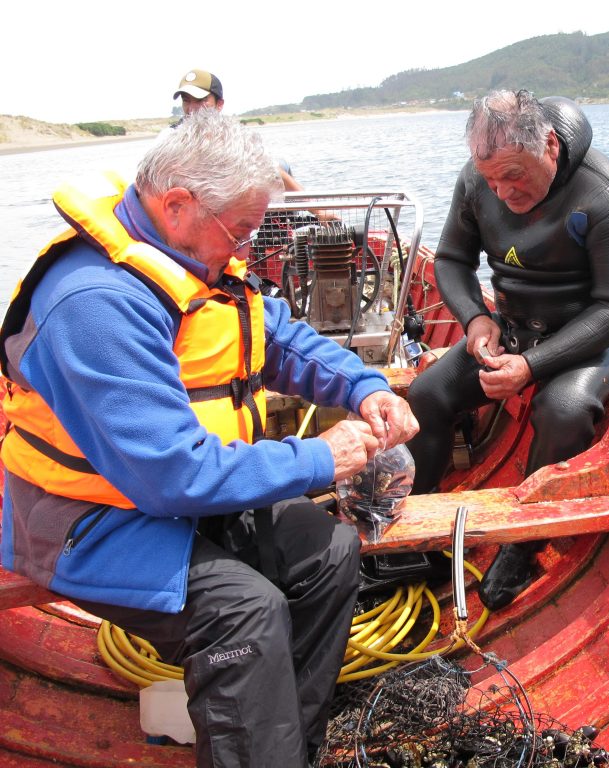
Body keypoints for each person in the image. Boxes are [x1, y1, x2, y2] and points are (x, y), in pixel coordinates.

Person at [0, 109, 418, 768]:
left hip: (185, 493)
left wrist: (363, 388)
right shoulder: (93, 305)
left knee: (330, 553)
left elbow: (274, 335)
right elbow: (170, 476)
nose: (249, 251)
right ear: (176, 206)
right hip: (88, 518)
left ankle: (283, 747)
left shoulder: (195, 259)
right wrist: (319, 457)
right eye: (244, 232)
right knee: (242, 614)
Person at [405, 89, 609, 611]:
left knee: (562, 410)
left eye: (514, 176)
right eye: (492, 179)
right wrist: (475, 320)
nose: (502, 191)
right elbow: (450, 260)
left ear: (550, 146)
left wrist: (532, 367)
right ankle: (418, 525)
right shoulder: (478, 180)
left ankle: (522, 547)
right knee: (425, 394)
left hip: (591, 335)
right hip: (510, 327)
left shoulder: (604, 194)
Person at [171, 68, 303, 191]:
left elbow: (270, 170)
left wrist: (319, 212)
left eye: (200, 100)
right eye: (186, 100)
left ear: (219, 104)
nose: (192, 108)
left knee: (278, 165)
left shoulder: (232, 137)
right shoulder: (170, 139)